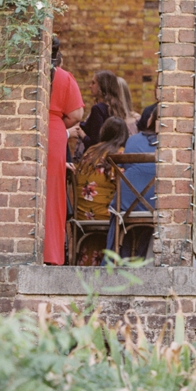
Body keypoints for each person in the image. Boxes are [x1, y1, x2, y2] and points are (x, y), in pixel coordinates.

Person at [45, 37, 84, 265]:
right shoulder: (61, 76)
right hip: (54, 130)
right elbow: (77, 115)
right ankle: (51, 254)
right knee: (54, 194)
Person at [71, 118, 128, 265]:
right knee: (130, 220)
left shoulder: (91, 151)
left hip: (82, 213)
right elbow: (125, 187)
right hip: (105, 215)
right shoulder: (119, 154)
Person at [112, 103, 158, 257]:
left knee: (119, 212)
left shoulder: (133, 141)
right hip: (155, 203)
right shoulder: (170, 146)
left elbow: (127, 167)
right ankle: (140, 257)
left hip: (128, 203)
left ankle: (120, 256)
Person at [80, 70, 124, 146]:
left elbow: (95, 143)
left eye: (93, 83)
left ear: (102, 86)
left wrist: (81, 134)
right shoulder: (117, 107)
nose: (90, 86)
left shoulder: (97, 109)